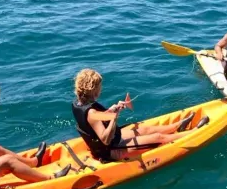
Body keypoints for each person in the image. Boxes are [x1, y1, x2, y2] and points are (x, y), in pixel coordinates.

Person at [72, 69, 202, 162]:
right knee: (158, 137)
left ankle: (178, 125)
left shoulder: (78, 103)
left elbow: (92, 122)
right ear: (93, 90)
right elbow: (105, 139)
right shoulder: (91, 113)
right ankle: (195, 133)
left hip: (113, 141)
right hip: (110, 150)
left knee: (146, 129)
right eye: (100, 87)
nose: (101, 89)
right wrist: (114, 117)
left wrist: (110, 111)